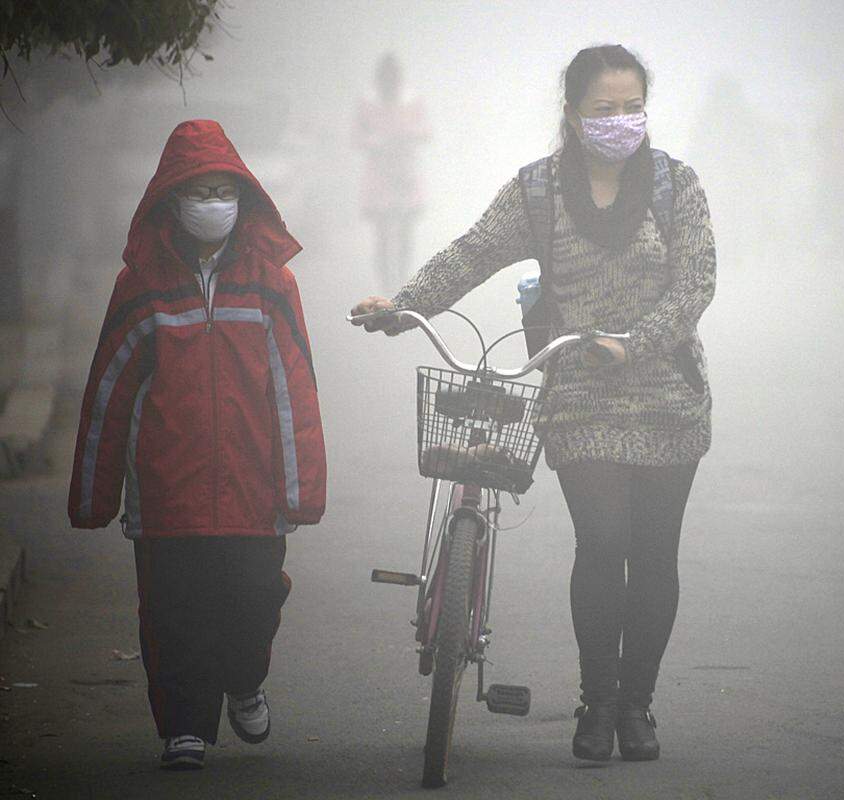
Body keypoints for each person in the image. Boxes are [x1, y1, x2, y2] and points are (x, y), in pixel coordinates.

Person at [351, 44, 715, 763]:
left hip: (667, 394)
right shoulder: (539, 194)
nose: (621, 121)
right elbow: (474, 251)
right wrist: (404, 305)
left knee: (654, 555)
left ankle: (637, 705)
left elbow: (695, 285)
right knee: (603, 543)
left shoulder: (678, 187)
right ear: (573, 115)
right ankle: (597, 701)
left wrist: (633, 344)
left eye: (632, 107)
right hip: (577, 393)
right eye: (604, 109)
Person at [67, 119, 327, 770]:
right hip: (167, 494)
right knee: (171, 614)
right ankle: (183, 725)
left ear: (244, 196)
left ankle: (244, 680)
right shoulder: (142, 287)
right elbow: (110, 391)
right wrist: (95, 495)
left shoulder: (270, 282)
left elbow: (294, 387)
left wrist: (301, 491)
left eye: (224, 189)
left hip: (254, 492)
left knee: (253, 603)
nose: (212, 203)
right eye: (198, 189)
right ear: (170, 199)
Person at [355, 52, 430, 288]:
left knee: (406, 229)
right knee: (382, 234)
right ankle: (386, 285)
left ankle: (403, 281)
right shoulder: (368, 103)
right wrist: (375, 142)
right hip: (379, 176)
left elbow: (426, 132)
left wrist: (407, 136)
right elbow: (356, 136)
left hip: (405, 174)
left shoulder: (411, 101)